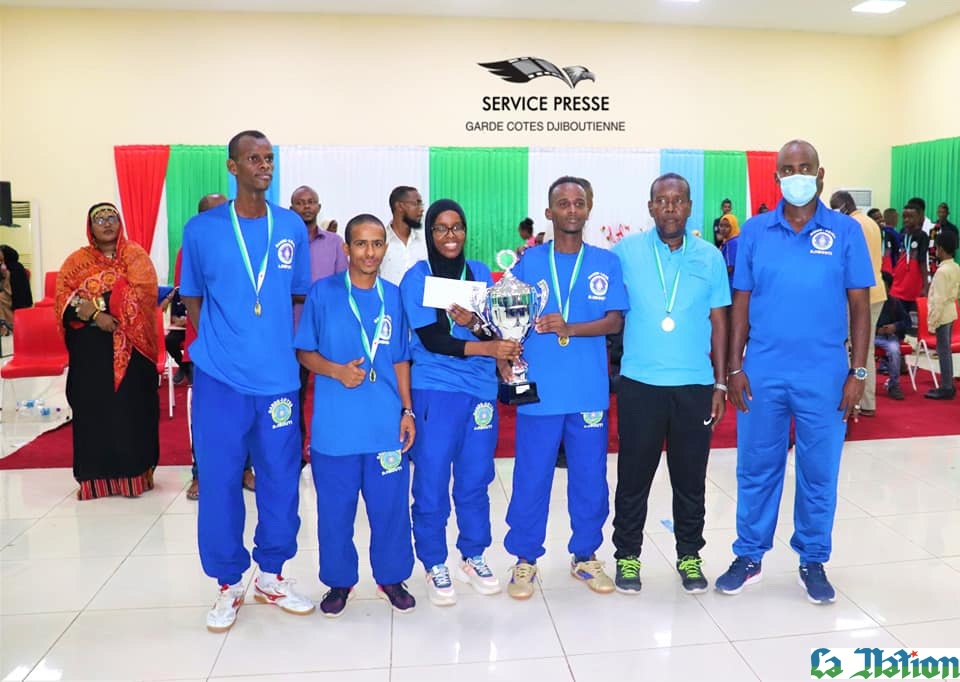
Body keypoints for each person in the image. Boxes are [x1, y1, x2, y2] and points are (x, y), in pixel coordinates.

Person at [718, 139, 873, 605]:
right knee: (756, 469)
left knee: (818, 471)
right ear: (777, 177)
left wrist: (858, 372)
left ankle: (812, 558)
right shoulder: (755, 231)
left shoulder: (845, 232)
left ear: (821, 176)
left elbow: (861, 308)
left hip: (825, 374)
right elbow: (740, 304)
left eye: (805, 167)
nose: (797, 174)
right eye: (788, 168)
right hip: (762, 371)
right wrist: (734, 366)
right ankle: (749, 555)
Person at [181, 130, 315, 633]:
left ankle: (273, 575)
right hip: (219, 378)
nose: (264, 166)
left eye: (269, 158)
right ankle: (227, 582)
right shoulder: (202, 229)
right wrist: (223, 341)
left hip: (279, 378)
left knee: (280, 480)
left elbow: (296, 295)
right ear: (232, 167)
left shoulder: (290, 228)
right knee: (218, 481)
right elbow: (192, 298)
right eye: (253, 159)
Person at [503, 176, 628, 600]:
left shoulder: (606, 262)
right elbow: (510, 319)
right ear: (549, 211)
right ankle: (524, 559)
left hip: (588, 390)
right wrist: (508, 353)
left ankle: (586, 555)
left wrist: (570, 328)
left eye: (579, 202)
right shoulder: (528, 262)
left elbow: (614, 321)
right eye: (563, 202)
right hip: (539, 390)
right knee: (531, 476)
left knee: (590, 477)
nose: (571, 209)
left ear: (589, 208)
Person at [611, 173, 729, 595]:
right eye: (662, 200)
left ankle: (689, 554)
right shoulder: (625, 253)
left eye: (678, 200)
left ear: (690, 206)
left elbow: (719, 322)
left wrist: (720, 383)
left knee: (690, 477)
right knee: (633, 476)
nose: (670, 207)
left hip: (694, 386)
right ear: (650, 207)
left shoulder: (709, 256)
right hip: (640, 383)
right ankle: (627, 555)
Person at [400, 199, 521, 607]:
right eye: (440, 228)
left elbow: (497, 327)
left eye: (457, 228)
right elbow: (434, 339)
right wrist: (488, 346)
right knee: (432, 479)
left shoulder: (483, 274)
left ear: (466, 232)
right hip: (437, 389)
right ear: (429, 234)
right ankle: (435, 562)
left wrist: (481, 329)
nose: (450, 236)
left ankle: (473, 554)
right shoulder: (417, 278)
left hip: (481, 392)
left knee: (475, 478)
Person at [295, 213, 417, 617]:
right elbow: (304, 351)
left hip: (384, 426)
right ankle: (338, 581)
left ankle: (392, 577)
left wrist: (407, 410)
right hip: (336, 429)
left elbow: (400, 358)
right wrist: (336, 371)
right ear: (346, 249)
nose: (370, 252)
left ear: (385, 247)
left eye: (377, 243)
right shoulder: (323, 293)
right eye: (361, 244)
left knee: (391, 511)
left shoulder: (394, 295)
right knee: (334, 513)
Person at [54, 203, 160, 500]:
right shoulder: (76, 261)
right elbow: (64, 299)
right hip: (92, 356)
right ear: (90, 226)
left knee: (132, 412)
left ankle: (136, 478)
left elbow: (145, 292)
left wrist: (98, 306)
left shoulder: (136, 255)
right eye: (99, 219)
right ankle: (94, 482)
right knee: (94, 412)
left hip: (133, 352)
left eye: (111, 217)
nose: (106, 224)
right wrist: (92, 315)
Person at [181, 193, 254, 503]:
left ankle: (245, 468)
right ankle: (202, 473)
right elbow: (189, 297)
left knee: (246, 411)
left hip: (244, 347)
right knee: (209, 416)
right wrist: (213, 337)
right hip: (205, 346)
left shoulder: (245, 247)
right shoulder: (191, 248)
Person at [290, 185, 348, 463]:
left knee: (333, 393)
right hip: (291, 333)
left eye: (311, 201)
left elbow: (342, 286)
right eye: (300, 203)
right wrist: (315, 295)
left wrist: (305, 295)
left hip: (329, 333)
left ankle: (331, 448)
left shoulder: (335, 242)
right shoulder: (284, 242)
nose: (307, 207)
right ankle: (296, 452)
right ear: (292, 209)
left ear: (319, 206)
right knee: (294, 397)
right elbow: (280, 290)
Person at [830, 191, 885, 417]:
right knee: (867, 348)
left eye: (834, 208)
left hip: (858, 295)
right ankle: (868, 402)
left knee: (853, 347)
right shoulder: (871, 222)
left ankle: (855, 399)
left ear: (843, 206)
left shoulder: (850, 224)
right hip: (878, 291)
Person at [924, 231, 959, 400]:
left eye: (936, 247)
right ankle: (948, 384)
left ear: (941, 249)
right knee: (945, 350)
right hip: (951, 311)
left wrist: (932, 322)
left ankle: (946, 386)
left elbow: (937, 299)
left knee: (943, 350)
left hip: (942, 314)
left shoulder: (942, 272)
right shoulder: (955, 267)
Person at [379, 185, 427, 285]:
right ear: (400, 206)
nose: (421, 209)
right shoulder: (380, 241)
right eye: (416, 204)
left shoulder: (425, 240)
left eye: (421, 204)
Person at [889, 199, 929, 316]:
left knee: (912, 321)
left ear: (919, 217)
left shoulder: (922, 236)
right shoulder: (902, 233)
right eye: (904, 217)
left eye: (910, 217)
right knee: (897, 317)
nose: (906, 220)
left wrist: (925, 286)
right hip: (898, 283)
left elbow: (922, 261)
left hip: (913, 284)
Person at [875, 271, 909, 401]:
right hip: (870, 336)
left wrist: (895, 327)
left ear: (888, 287)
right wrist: (877, 330)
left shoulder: (894, 303)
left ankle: (894, 385)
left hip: (888, 338)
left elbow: (907, 322)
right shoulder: (868, 302)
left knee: (894, 350)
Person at [0, 244, 33, 311]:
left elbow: (11, 287)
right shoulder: (5, 266)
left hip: (15, 299)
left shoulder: (15, 267)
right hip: (8, 294)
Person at [716, 213, 741, 290]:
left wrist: (717, 278)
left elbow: (730, 267)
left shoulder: (731, 243)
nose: (723, 229)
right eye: (721, 225)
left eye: (727, 226)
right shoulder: (732, 240)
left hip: (730, 282)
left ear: (733, 226)